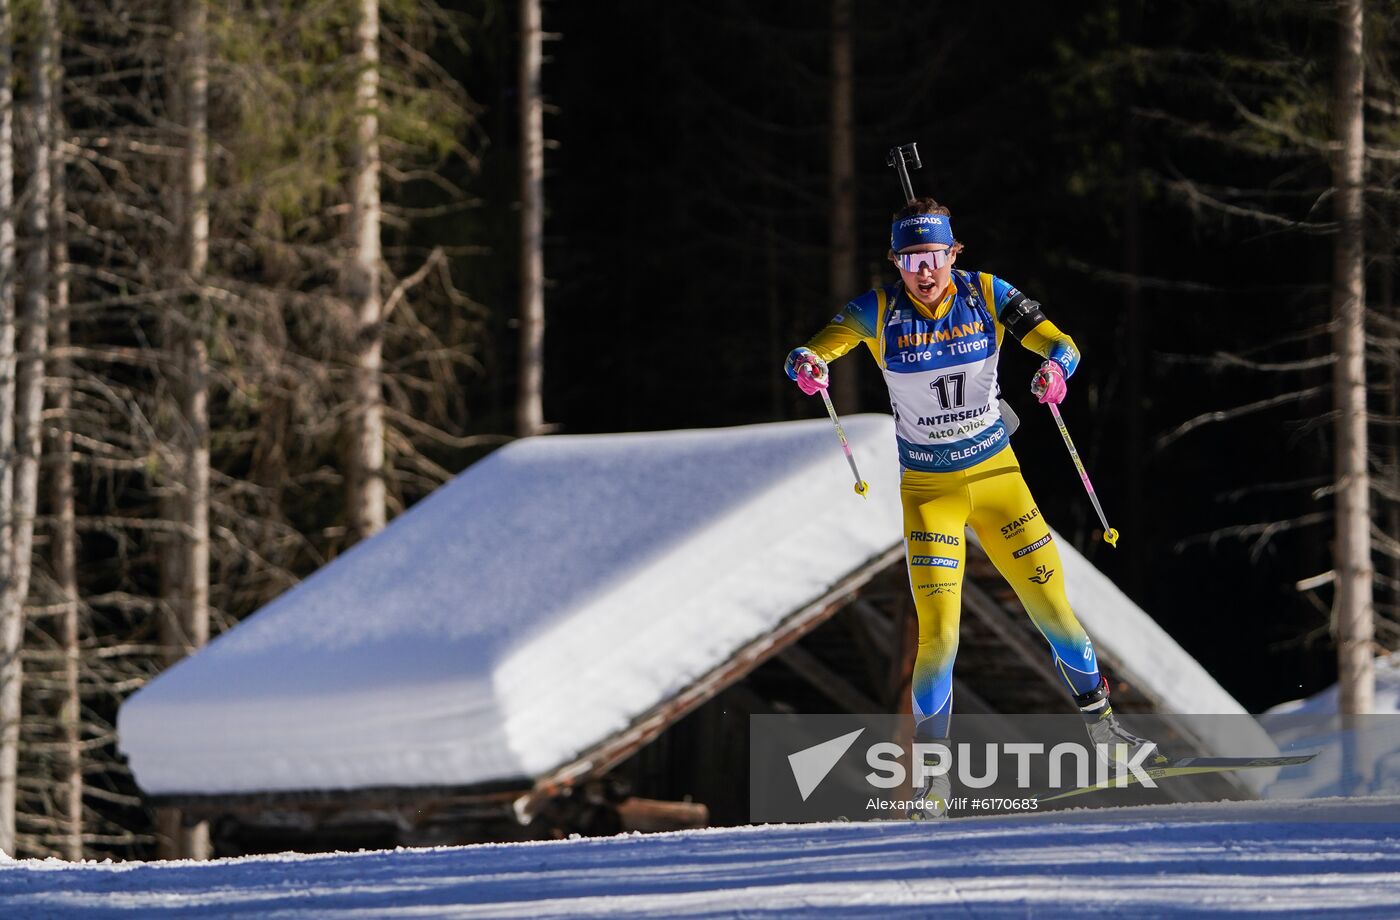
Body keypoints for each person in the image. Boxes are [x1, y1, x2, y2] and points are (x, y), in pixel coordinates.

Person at [785, 197, 1163, 818]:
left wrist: (1056, 370)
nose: (923, 271)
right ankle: (932, 780)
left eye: (933, 256)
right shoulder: (877, 311)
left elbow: (1060, 342)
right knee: (938, 640)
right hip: (930, 493)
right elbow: (814, 350)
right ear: (896, 263)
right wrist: (806, 365)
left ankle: (1105, 733)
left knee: (1056, 614)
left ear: (952, 253)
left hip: (997, 478)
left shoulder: (986, 292)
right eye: (910, 260)